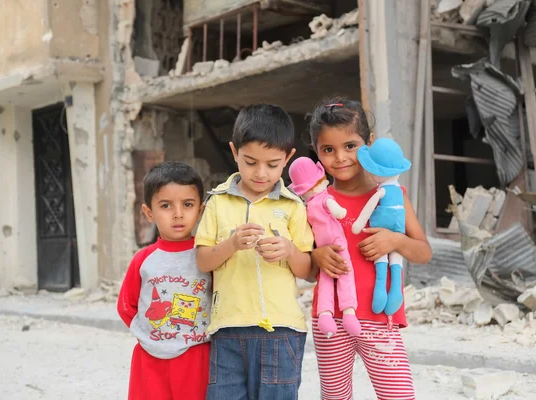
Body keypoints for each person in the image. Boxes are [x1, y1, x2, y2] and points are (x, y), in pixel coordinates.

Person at [307, 98, 432, 400]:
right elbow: (308, 270)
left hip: (380, 318)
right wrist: (315, 255)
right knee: (335, 396)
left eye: (350, 146)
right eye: (328, 150)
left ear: (369, 143)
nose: (340, 158)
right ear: (317, 153)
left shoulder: (392, 195)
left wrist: (396, 241)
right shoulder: (317, 203)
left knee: (399, 395)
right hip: (331, 319)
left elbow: (424, 252)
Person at [195, 104, 314, 400]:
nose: (261, 173)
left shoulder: (294, 207)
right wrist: (231, 244)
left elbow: (309, 270)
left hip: (282, 331)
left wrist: (288, 250)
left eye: (273, 164)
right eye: (250, 162)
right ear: (234, 152)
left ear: (288, 158)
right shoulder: (217, 203)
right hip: (228, 331)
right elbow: (202, 260)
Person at [117, 161, 211, 400]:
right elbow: (127, 305)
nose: (178, 213)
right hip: (149, 358)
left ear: (200, 210)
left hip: (197, 355)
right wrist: (154, 334)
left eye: (187, 204)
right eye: (166, 205)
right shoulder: (144, 259)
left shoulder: (207, 255)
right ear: (149, 212)